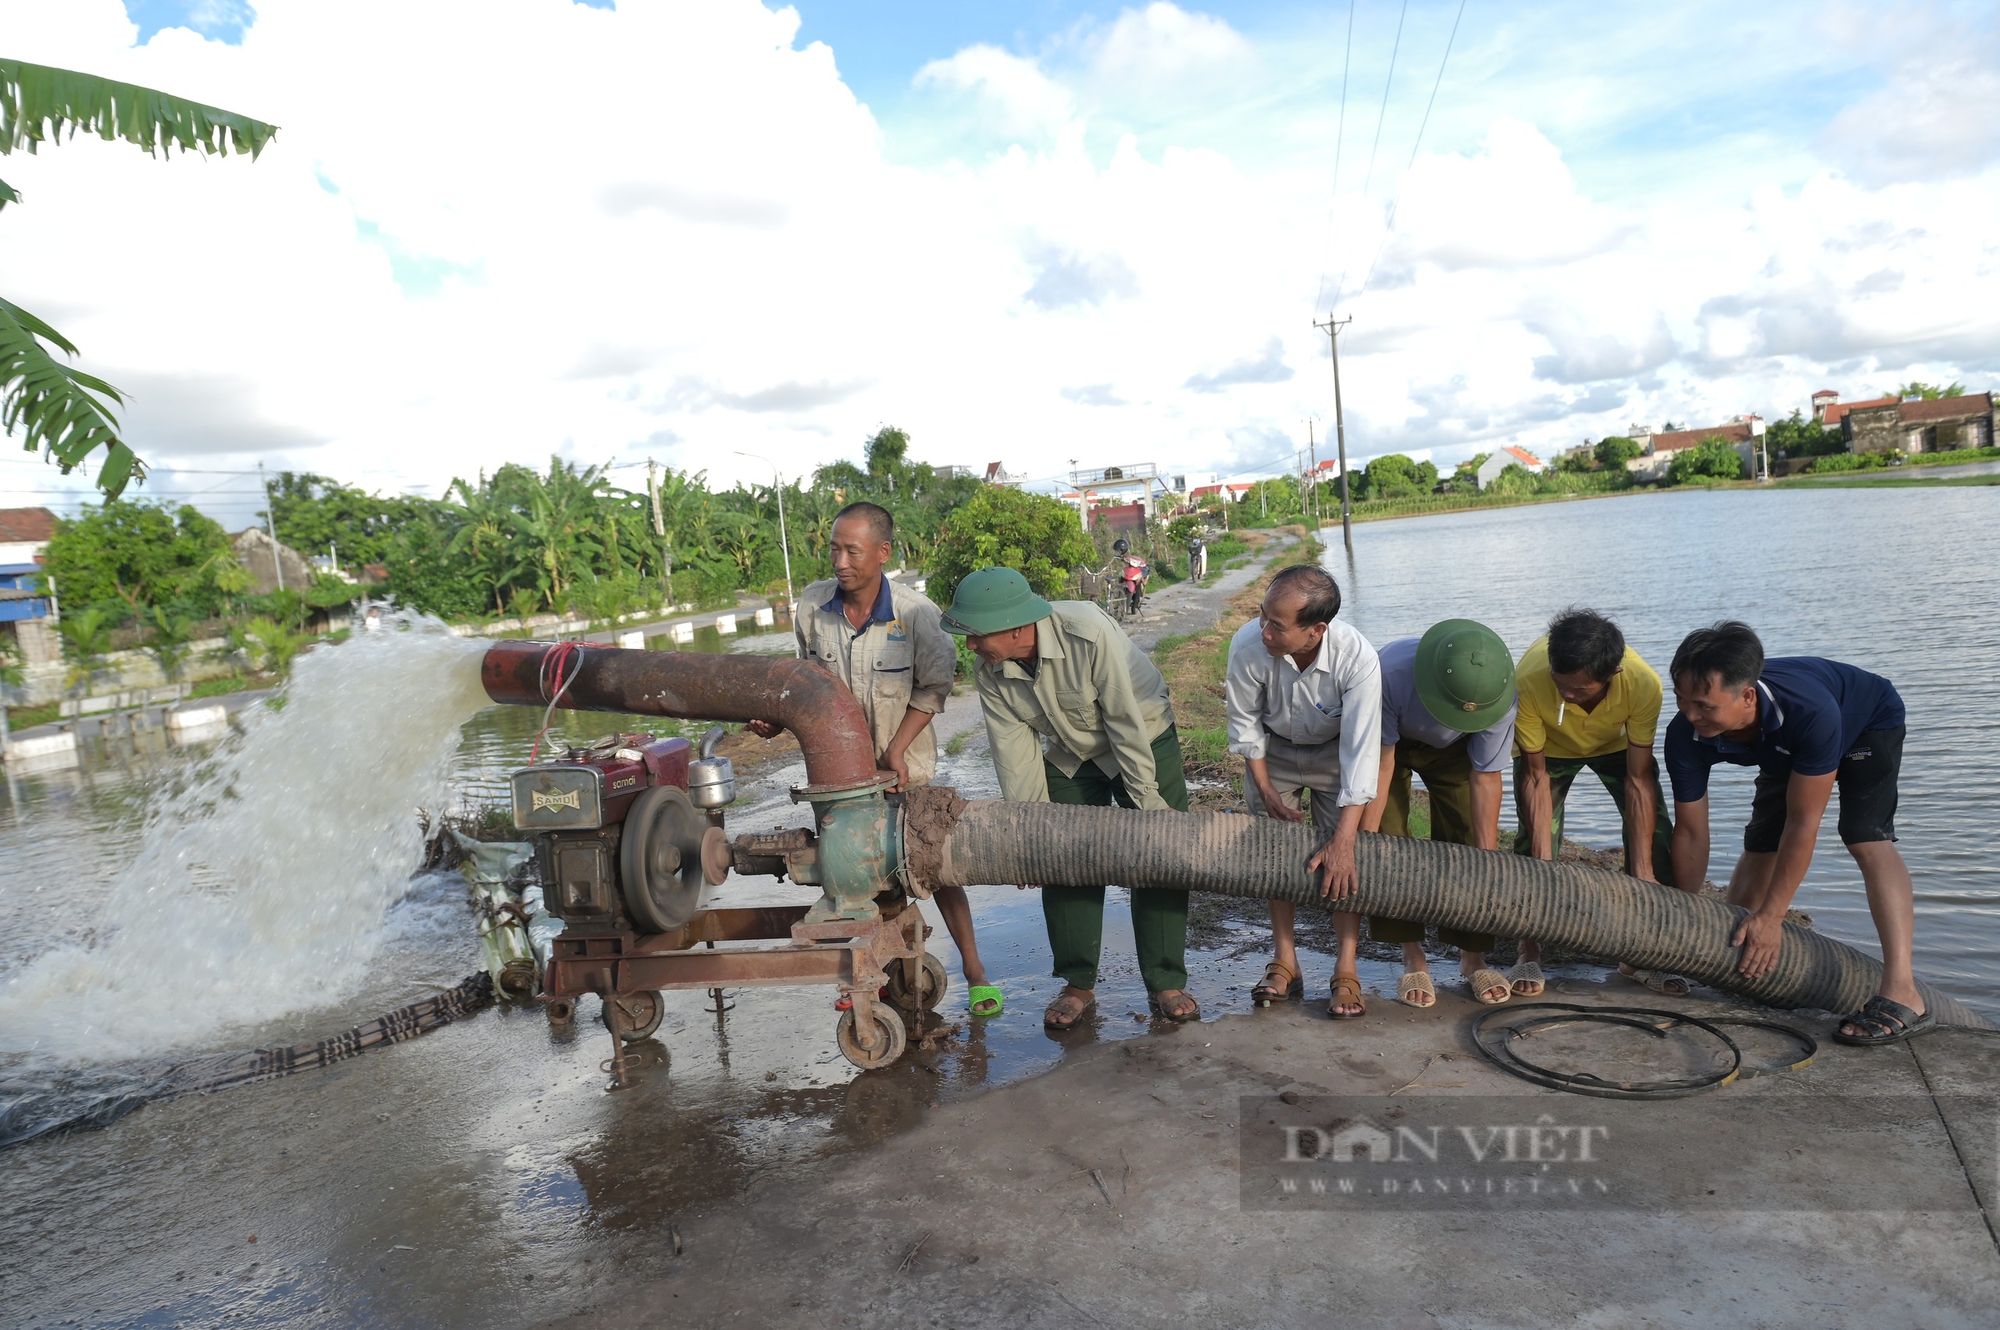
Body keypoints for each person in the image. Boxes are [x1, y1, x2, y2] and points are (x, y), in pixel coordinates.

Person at [749, 502, 1003, 1018]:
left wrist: (897, 749)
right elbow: (804, 685)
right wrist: (774, 719)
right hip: (836, 776)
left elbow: (933, 689)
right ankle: (877, 981)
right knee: (854, 873)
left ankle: (976, 973)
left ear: (883, 553)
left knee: (937, 866)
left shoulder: (916, 615)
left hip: (906, 763)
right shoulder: (813, 608)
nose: (840, 561)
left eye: (852, 551)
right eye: (834, 549)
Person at [940, 565, 1199, 1030]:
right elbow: (1014, 755)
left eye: (976, 635)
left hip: (1143, 734)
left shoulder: (1088, 630)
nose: (971, 647)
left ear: (1015, 627)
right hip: (1072, 749)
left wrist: (1149, 810)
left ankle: (1165, 980)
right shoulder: (990, 670)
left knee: (1160, 851)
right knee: (1058, 851)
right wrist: (1028, 840)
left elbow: (1124, 722)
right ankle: (1078, 982)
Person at [1664, 621, 1927, 1046]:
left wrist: (1773, 917)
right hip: (1783, 745)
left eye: (1703, 705)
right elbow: (1692, 833)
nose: (1689, 714)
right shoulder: (1685, 732)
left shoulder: (1809, 711)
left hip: (1864, 721)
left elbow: (1804, 824)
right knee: (1761, 841)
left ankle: (1903, 989)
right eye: (1680, 700)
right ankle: (1735, 952)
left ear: (1746, 695)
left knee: (1865, 836)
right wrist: (1685, 918)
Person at [1223, 565, 1381, 1017]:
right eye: (1262, 616)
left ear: (1316, 631)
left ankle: (1346, 968)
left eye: (1277, 624)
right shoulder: (1248, 645)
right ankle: (1285, 959)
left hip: (1336, 755)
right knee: (1275, 854)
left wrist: (1345, 840)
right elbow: (1245, 724)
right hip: (1273, 750)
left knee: (1344, 862)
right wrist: (1265, 787)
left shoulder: (1357, 658)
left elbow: (1362, 753)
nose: (1264, 630)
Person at [1510, 608, 1679, 998]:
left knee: (1656, 838)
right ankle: (1528, 947)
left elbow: (1637, 780)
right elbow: (1536, 777)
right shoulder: (1530, 680)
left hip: (1615, 745)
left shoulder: (1642, 683)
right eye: (1561, 684)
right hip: (1548, 750)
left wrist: (1642, 870)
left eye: (1579, 690)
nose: (1567, 694)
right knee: (1532, 843)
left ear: (1612, 675)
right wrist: (1542, 867)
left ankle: (1641, 954)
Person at [1362, 620, 1518, 1007]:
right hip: (1390, 745)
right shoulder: (1389, 675)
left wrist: (1488, 857)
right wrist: (1364, 842)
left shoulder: (1499, 695)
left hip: (1454, 751)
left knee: (1471, 839)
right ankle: (1412, 954)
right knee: (1387, 837)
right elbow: (1381, 767)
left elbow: (1486, 777)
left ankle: (1472, 956)